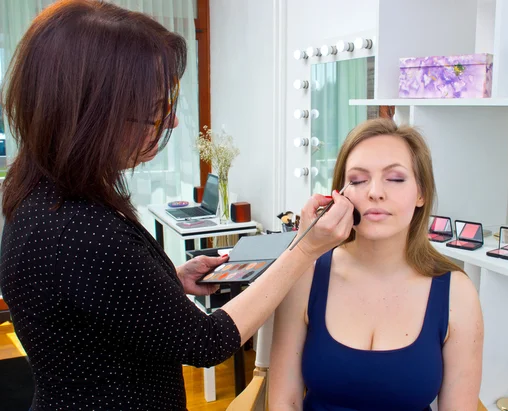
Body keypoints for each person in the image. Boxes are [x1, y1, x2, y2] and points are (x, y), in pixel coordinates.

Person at [0, 1, 355, 410]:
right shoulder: (81, 228)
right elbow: (206, 343)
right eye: (153, 111)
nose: (170, 122)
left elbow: (86, 296)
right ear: (92, 114)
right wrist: (305, 248)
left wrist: (168, 279)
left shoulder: (41, 194)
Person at [269, 118, 484, 411]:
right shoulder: (306, 276)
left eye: (395, 179)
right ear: (339, 194)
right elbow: (285, 401)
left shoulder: (457, 293)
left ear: (421, 193)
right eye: (357, 180)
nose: (375, 192)